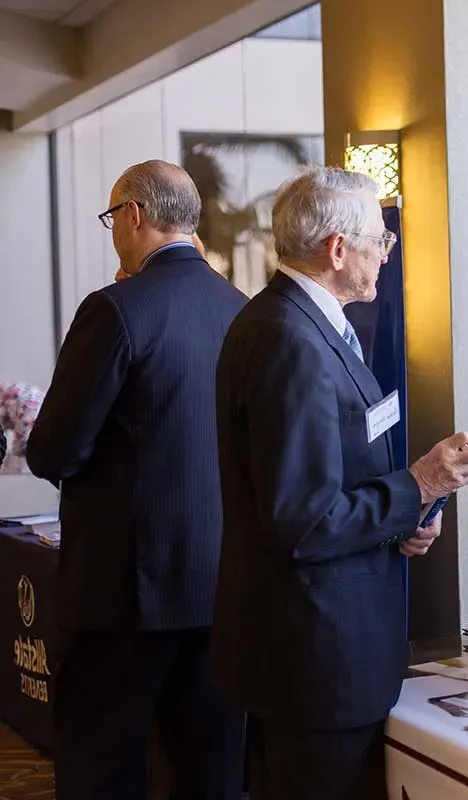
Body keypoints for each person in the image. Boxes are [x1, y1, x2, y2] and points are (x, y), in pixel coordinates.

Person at [210, 166, 468, 799]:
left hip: (318, 644)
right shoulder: (291, 339)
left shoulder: (302, 321)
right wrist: (417, 484)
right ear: (338, 248)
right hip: (316, 654)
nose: (387, 252)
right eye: (380, 238)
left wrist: (407, 517)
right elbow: (303, 520)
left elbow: (331, 472)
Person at [25, 160, 247, 800]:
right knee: (211, 773)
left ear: (134, 215)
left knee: (103, 769)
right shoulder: (243, 310)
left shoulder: (115, 309)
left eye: (111, 218)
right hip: (220, 590)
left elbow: (54, 452)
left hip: (124, 596)